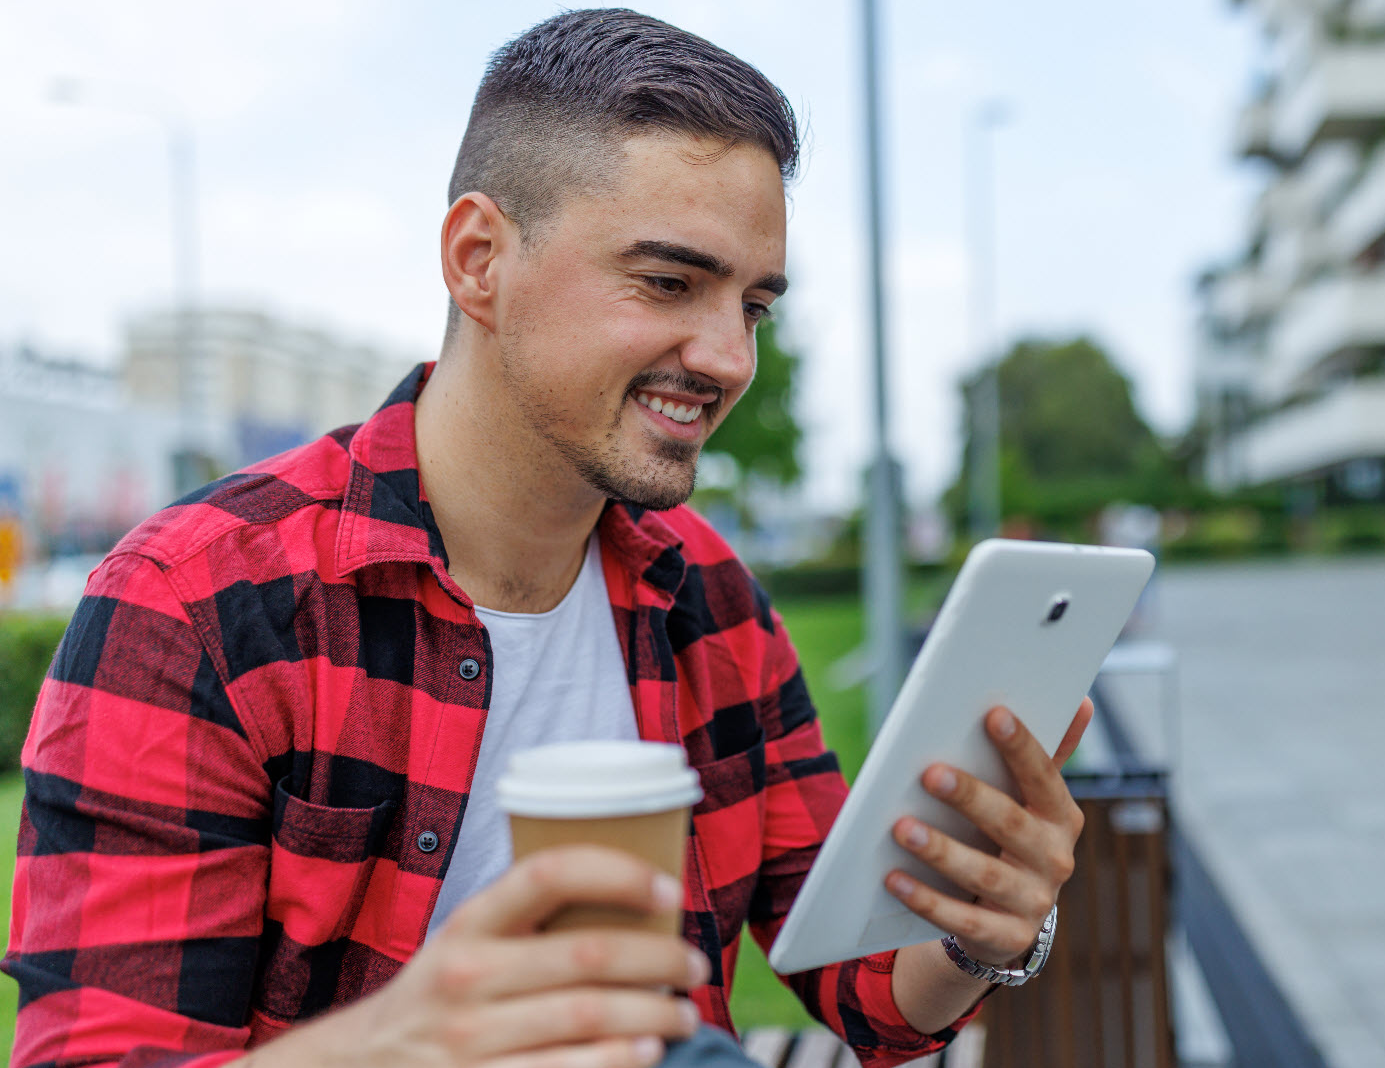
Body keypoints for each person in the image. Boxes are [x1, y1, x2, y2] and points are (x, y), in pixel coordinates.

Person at [1, 10, 1092, 1068]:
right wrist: (393, 1047)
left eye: (753, 306)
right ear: (479, 259)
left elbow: (864, 992)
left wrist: (975, 930)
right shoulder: (193, 605)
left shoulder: (707, 597)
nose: (726, 358)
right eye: (669, 281)